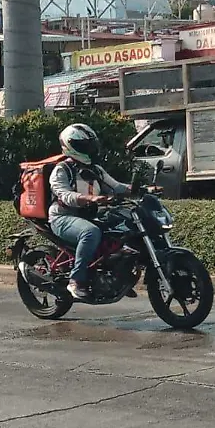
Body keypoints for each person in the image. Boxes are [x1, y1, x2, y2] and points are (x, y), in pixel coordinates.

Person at [49, 124, 130, 301]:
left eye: (90, 145)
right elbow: (65, 195)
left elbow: (116, 187)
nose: (89, 149)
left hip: (89, 214)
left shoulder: (96, 169)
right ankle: (76, 281)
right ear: (70, 146)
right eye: (84, 145)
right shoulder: (62, 169)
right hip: (63, 216)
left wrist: (142, 189)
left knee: (125, 222)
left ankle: (119, 276)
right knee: (90, 232)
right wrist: (90, 198)